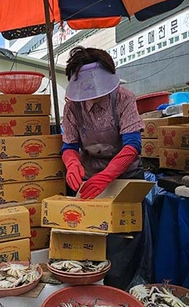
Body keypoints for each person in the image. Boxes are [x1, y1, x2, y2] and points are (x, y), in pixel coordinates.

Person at [61, 46, 145, 198]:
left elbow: (133, 144)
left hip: (126, 175)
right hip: (89, 177)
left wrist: (106, 176)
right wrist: (72, 163)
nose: (92, 89)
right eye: (86, 84)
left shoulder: (123, 98)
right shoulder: (72, 107)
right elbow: (69, 145)